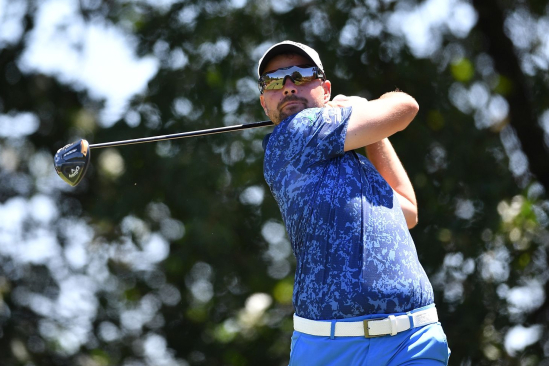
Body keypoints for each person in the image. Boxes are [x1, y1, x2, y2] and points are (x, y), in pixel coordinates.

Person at [257, 40, 450, 365]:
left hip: (413, 340)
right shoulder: (292, 136)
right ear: (265, 103)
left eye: (301, 75)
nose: (289, 87)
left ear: (326, 88)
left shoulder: (353, 163)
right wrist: (361, 105)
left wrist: (373, 131)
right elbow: (405, 106)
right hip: (329, 350)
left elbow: (408, 210)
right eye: (275, 81)